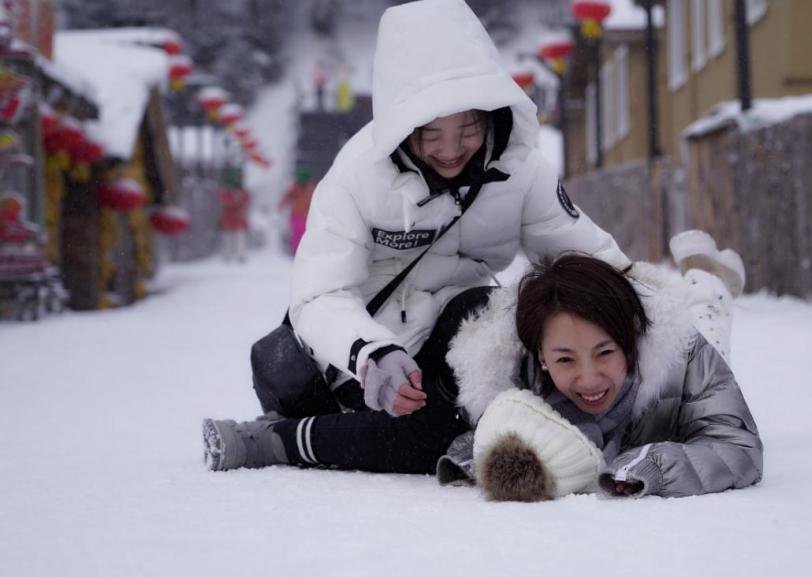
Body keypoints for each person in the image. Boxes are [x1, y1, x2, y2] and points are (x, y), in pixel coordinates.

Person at [202, 0, 628, 474]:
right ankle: (279, 441)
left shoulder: (520, 170)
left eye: (468, 129)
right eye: (430, 134)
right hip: (369, 357)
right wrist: (371, 351)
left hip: (463, 335)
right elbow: (319, 294)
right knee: (431, 434)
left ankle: (471, 429)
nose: (451, 151)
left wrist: (666, 320)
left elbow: (590, 260)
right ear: (401, 124)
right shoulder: (357, 176)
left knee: (495, 313)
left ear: (490, 111)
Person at [437, 253, 764, 499]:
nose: (589, 379)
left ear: (629, 339)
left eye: (605, 353)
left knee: (708, 317)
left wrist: (654, 465)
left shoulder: (684, 352)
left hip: (685, 345)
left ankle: (709, 276)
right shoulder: (512, 375)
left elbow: (737, 444)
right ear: (540, 356)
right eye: (565, 359)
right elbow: (476, 441)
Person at [278, 165, 316, 255]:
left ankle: (305, 251)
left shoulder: (311, 188)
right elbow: (286, 197)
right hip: (296, 215)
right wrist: (281, 205)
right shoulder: (295, 188)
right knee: (297, 234)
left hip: (307, 215)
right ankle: (295, 251)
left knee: (305, 234)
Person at [219, 167, 250, 263]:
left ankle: (241, 255)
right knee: (228, 237)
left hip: (239, 218)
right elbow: (224, 201)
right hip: (229, 218)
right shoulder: (226, 192)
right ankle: (227, 255)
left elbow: (246, 200)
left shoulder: (243, 191)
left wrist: (238, 203)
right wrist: (234, 203)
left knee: (240, 237)